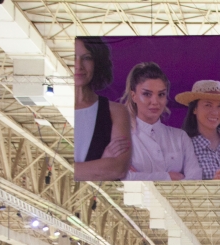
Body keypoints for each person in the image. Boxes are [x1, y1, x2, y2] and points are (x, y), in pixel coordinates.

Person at [119, 62, 199, 181]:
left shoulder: (180, 137)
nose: (155, 101)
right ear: (134, 95)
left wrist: (141, 178)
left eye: (161, 94)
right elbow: (123, 178)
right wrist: (168, 177)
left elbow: (195, 178)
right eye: (147, 94)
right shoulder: (122, 137)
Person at [73, 37, 132, 181]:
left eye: (86, 58)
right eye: (71, 58)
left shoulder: (116, 111)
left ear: (97, 62)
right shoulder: (50, 108)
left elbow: (117, 170)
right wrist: (100, 164)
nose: (78, 65)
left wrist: (75, 169)